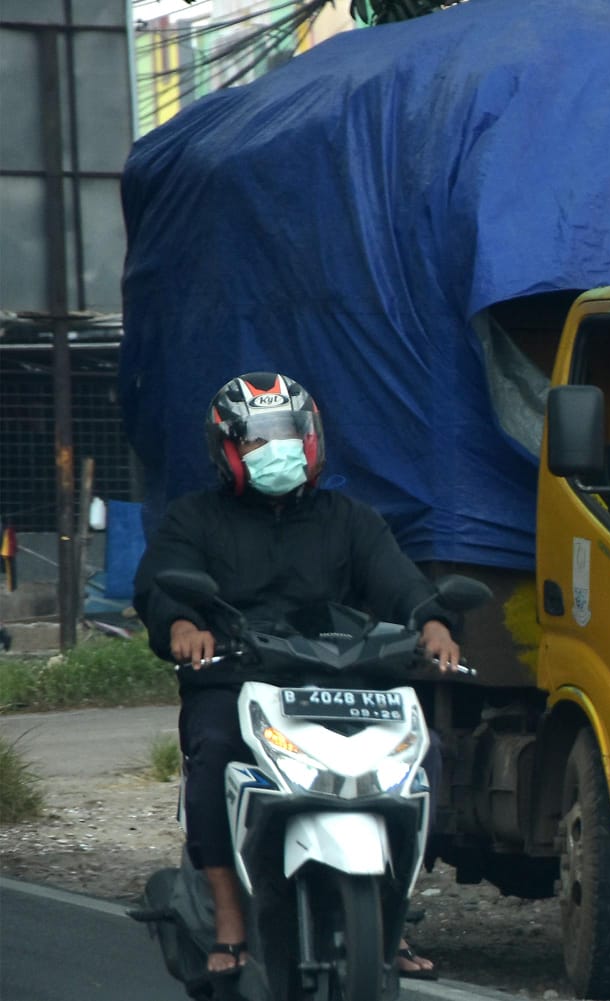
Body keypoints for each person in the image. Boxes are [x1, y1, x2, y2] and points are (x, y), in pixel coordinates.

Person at [134, 372, 460, 980]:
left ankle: (393, 912)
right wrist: (181, 623)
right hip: (236, 678)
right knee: (214, 753)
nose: (275, 449)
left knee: (425, 756)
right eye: (256, 440)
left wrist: (430, 621)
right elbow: (163, 579)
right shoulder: (194, 519)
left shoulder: (350, 519)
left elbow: (398, 579)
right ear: (226, 449)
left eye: (286, 434)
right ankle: (231, 919)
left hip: (342, 678)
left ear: (312, 440)